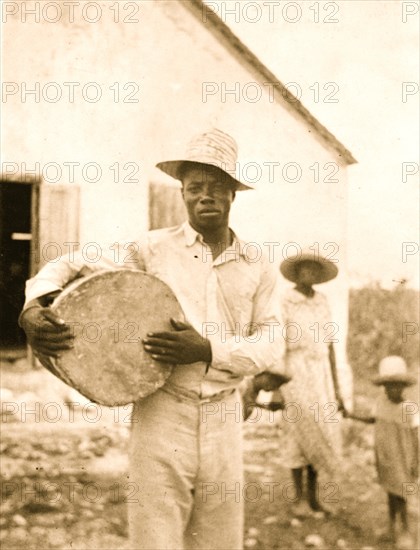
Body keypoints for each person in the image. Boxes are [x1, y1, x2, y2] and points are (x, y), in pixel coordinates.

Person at [19, 129, 286, 550]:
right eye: (195, 187)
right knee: (154, 537)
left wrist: (209, 350)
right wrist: (32, 307)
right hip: (162, 409)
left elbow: (273, 341)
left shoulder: (258, 265)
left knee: (219, 539)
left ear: (234, 194)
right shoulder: (151, 249)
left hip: (224, 415)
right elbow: (69, 264)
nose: (205, 196)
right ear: (182, 194)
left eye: (216, 187)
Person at [275, 251, 345, 518]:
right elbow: (278, 342)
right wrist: (278, 385)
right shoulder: (285, 301)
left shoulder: (322, 302)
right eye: (305, 270)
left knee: (320, 432)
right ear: (297, 273)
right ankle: (298, 499)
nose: (310, 275)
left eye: (315, 271)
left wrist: (337, 388)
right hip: (295, 371)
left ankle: (314, 498)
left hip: (320, 373)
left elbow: (329, 345)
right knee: (297, 433)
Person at [344, 356, 418, 549]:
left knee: (401, 495)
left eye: (397, 386)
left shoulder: (409, 408)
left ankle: (405, 530)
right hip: (385, 457)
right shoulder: (381, 402)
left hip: (403, 458)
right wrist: (350, 414)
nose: (393, 390)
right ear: (383, 387)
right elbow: (372, 419)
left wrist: (417, 461)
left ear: (403, 386)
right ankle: (391, 527)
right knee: (390, 492)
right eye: (388, 386)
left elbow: (416, 436)